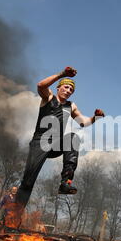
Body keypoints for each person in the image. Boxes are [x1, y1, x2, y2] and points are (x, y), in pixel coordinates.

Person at [15, 66, 105, 210]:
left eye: (71, 90)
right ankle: (12, 216)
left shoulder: (71, 106)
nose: (68, 91)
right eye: (66, 87)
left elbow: (83, 122)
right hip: (40, 143)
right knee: (27, 182)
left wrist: (95, 118)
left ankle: (66, 183)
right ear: (59, 87)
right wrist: (62, 74)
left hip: (56, 144)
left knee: (72, 138)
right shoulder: (49, 97)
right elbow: (40, 85)